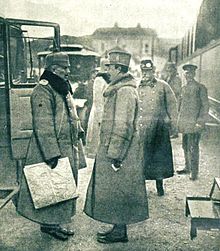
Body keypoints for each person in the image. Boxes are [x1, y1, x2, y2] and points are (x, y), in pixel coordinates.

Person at [16, 52, 85, 241]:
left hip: (66, 146)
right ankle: (49, 225)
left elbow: (70, 113)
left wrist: (78, 129)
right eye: (65, 68)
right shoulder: (43, 89)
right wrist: (51, 154)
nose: (69, 71)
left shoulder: (61, 86)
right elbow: (43, 125)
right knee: (51, 187)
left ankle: (54, 223)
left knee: (63, 187)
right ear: (54, 69)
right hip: (51, 149)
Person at [84, 50, 149, 244]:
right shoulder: (119, 88)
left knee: (120, 190)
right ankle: (117, 228)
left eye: (110, 67)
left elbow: (123, 125)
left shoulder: (125, 91)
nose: (107, 70)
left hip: (121, 151)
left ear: (119, 69)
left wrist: (115, 154)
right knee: (115, 190)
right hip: (117, 149)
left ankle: (120, 232)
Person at [138, 59, 178, 196]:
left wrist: (173, 123)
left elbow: (172, 105)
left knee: (159, 158)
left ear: (153, 71)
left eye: (148, 71)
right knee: (142, 157)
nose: (146, 74)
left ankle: (159, 186)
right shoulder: (137, 86)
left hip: (159, 128)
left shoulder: (163, 86)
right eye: (144, 71)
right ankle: (140, 186)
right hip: (142, 128)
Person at [177, 64, 209, 180]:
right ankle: (187, 167)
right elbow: (180, 107)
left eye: (190, 73)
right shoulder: (183, 88)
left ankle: (194, 172)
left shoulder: (201, 88)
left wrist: (200, 122)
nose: (188, 75)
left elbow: (205, 107)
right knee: (185, 146)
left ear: (194, 74)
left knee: (193, 147)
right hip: (185, 124)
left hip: (194, 124)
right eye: (186, 73)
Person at [86, 58, 110, 158]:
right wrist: (100, 117)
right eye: (107, 66)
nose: (108, 69)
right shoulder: (99, 79)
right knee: (96, 136)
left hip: (105, 111)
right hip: (98, 112)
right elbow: (98, 100)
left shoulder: (107, 79)